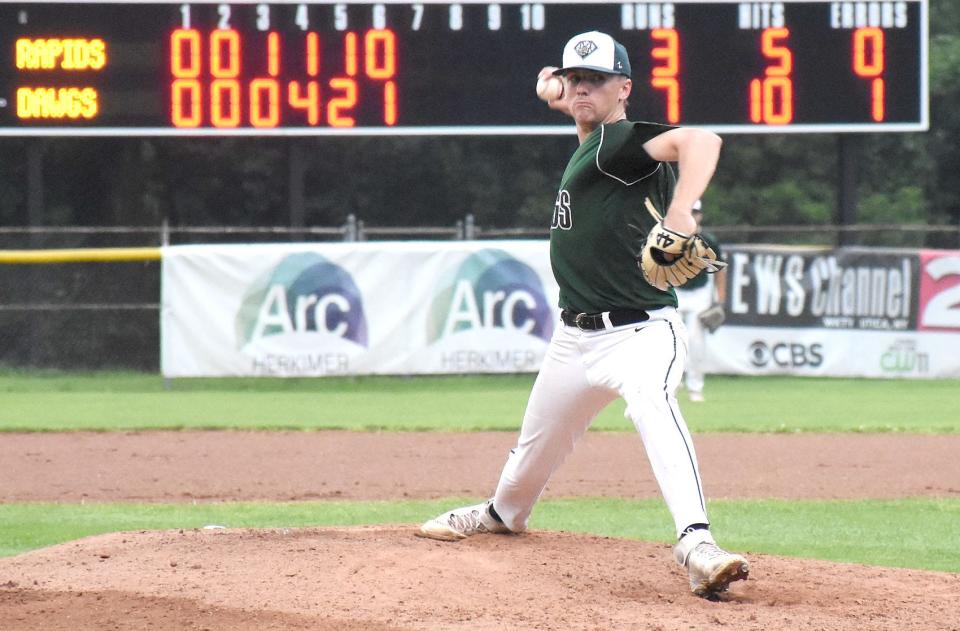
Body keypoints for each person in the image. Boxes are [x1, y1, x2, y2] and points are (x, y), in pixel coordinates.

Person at [417, 31, 749, 598]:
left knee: (654, 405)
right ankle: (502, 514)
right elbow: (559, 86)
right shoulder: (589, 131)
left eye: (596, 80)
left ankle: (697, 543)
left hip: (642, 331)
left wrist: (681, 215)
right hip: (573, 340)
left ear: (625, 88)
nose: (583, 89)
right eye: (577, 79)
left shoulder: (617, 141)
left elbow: (703, 140)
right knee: (532, 450)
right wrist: (555, 86)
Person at [675, 200, 727, 402]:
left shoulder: (708, 241)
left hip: (699, 293)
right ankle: (672, 383)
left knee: (696, 342)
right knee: (672, 340)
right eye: (690, 211)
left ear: (700, 215)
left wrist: (720, 300)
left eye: (696, 212)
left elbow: (719, 270)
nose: (693, 215)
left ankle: (695, 387)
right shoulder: (671, 238)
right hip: (676, 291)